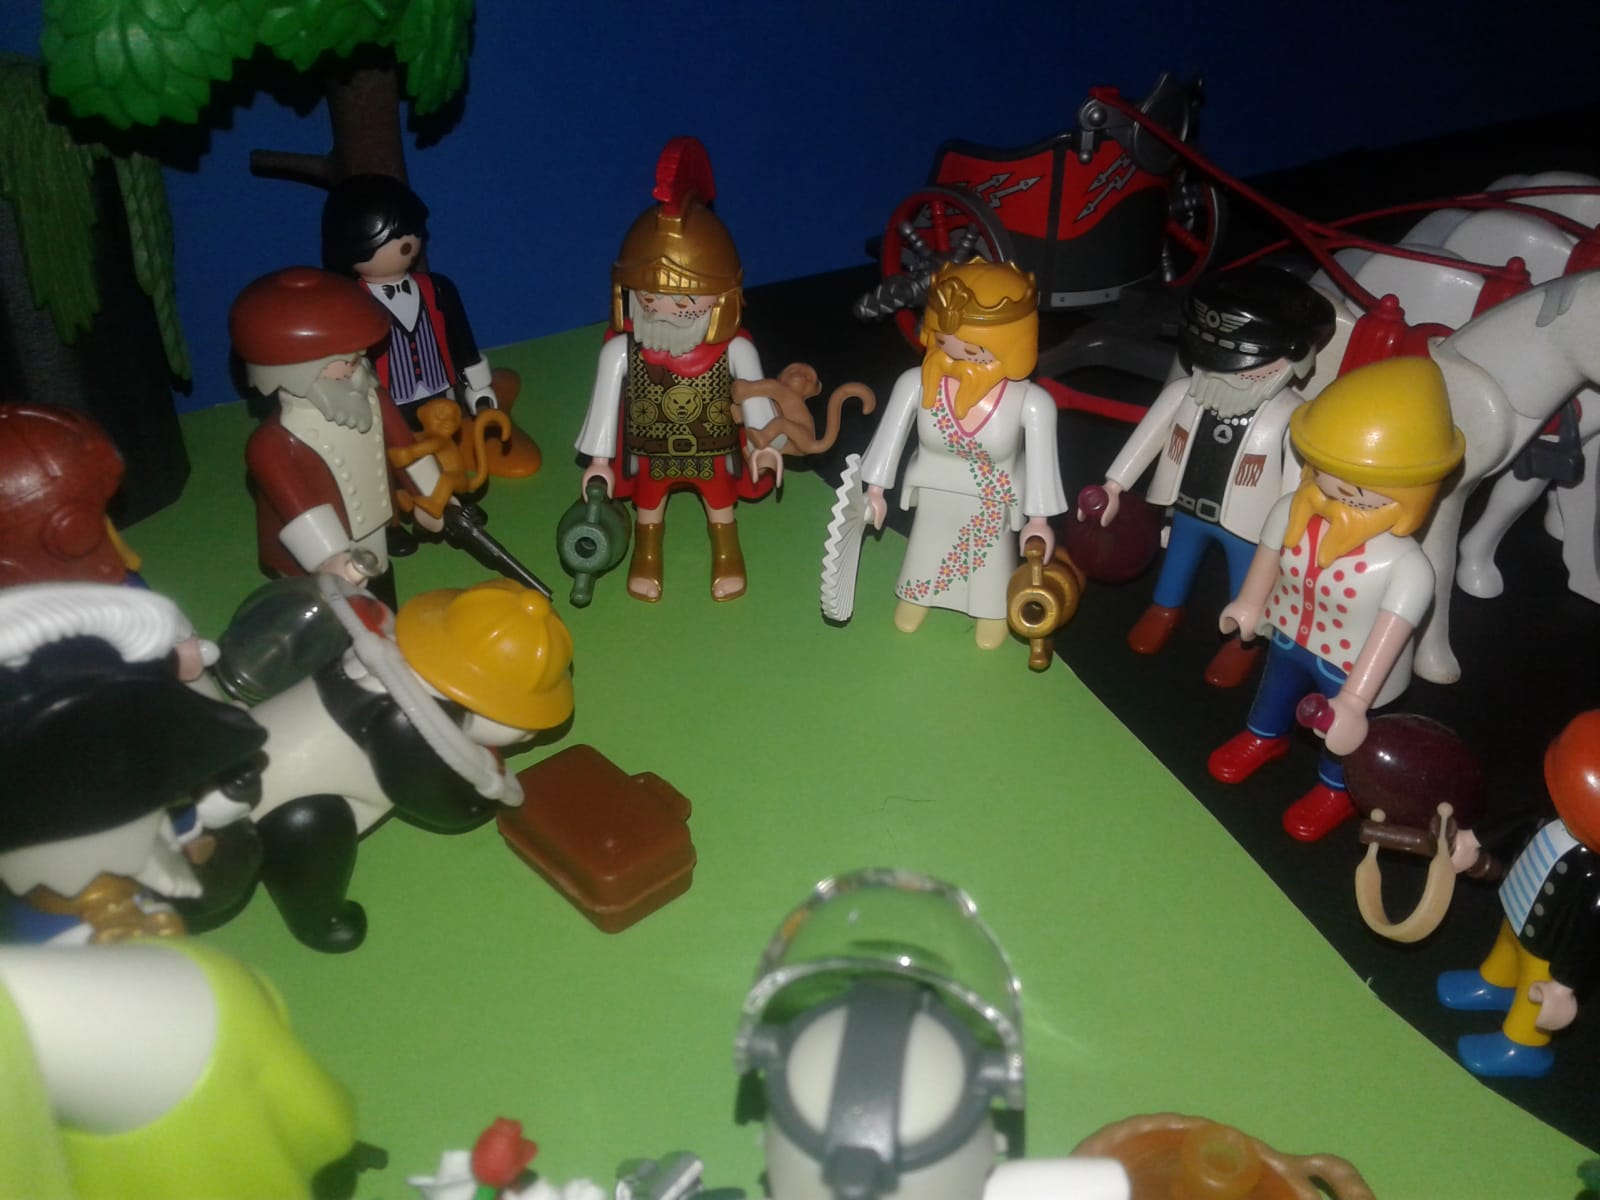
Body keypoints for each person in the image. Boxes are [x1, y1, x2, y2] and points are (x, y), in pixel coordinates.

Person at [1206, 356, 1465, 841]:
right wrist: (1249, 605)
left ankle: (1336, 787)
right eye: (1326, 468)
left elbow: (1389, 635)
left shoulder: (1407, 567)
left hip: (1351, 667)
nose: (1339, 487)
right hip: (1288, 635)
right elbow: (1266, 562)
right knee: (1275, 691)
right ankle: (1263, 736)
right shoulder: (1290, 511)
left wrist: (1355, 699)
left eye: (1360, 483)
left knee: (1338, 731)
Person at [1089, 265, 1336, 686]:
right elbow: (1146, 439)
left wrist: (1290, 532)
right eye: (1213, 359)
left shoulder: (1292, 416)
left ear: (1295, 358)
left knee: (1248, 581)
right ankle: (1164, 608)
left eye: (1242, 365)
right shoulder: (1184, 393)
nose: (1225, 374)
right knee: (1177, 560)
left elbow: (1297, 481)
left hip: (1250, 524)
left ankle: (1243, 639)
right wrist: (1114, 485)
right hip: (1186, 504)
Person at [575, 137, 781, 602]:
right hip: (651, 450)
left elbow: (756, 402)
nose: (664, 309)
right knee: (649, 505)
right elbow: (604, 409)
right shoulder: (621, 352)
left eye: (685, 301)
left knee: (720, 503)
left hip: (714, 449)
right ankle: (646, 553)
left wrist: (764, 444)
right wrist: (600, 462)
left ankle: (727, 551)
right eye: (649, 297)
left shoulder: (735, 350)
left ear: (722, 297)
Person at [860, 258, 1067, 649]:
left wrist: (1039, 521)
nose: (954, 359)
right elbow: (888, 439)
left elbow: (1042, 464)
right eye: (943, 344)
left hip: (993, 498)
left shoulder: (1030, 402)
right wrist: (874, 490)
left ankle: (991, 610)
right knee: (926, 547)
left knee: (989, 560)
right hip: (933, 488)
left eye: (973, 352)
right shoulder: (916, 385)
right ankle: (917, 596)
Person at [231, 266, 445, 610]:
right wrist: (329, 555)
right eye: (342, 358)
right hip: (316, 555)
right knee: (330, 611)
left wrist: (434, 497)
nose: (356, 363)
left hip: (374, 530)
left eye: (358, 353)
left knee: (380, 597)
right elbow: (298, 506)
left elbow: (407, 449)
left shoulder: (375, 400)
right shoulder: (272, 443)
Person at [1437, 710, 1600, 1078]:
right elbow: (1516, 819)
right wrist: (1473, 839)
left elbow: (1587, 938)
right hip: (1517, 906)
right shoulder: (1552, 811)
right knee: (1506, 947)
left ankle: (1523, 1045)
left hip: (1546, 949)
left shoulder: (1593, 877)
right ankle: (1495, 983)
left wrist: (1564, 985)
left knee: (1533, 989)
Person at [321, 174, 497, 417]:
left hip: (441, 393)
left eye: (410, 232)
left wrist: (479, 386)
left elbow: (462, 340)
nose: (406, 244)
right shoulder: (353, 303)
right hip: (389, 404)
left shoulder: (438, 288)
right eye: (390, 238)